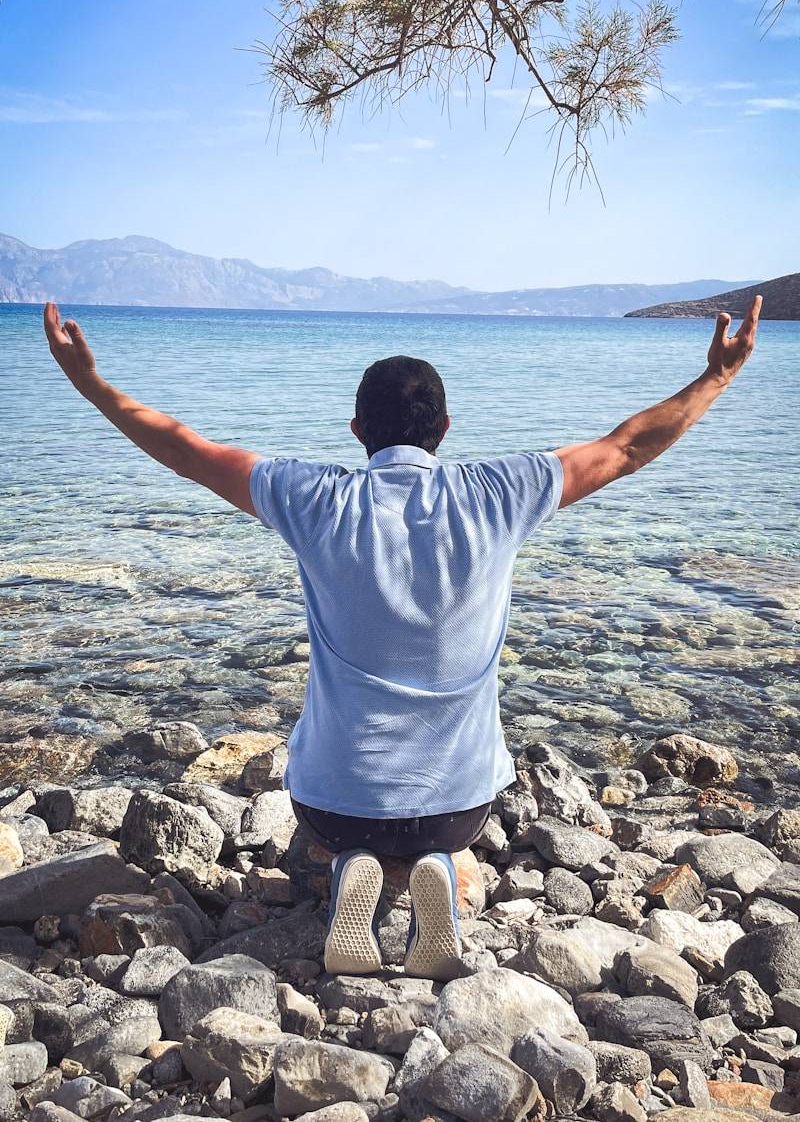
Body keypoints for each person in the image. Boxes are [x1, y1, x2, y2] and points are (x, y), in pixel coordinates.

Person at [42, 295, 761, 979]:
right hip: (458, 804)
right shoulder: (500, 493)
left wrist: (91, 384)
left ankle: (349, 861)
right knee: (458, 849)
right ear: (445, 429)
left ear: (357, 431)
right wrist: (719, 374)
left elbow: (186, 451)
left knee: (311, 847)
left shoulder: (312, 497)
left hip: (333, 799)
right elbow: (628, 446)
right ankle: (441, 873)